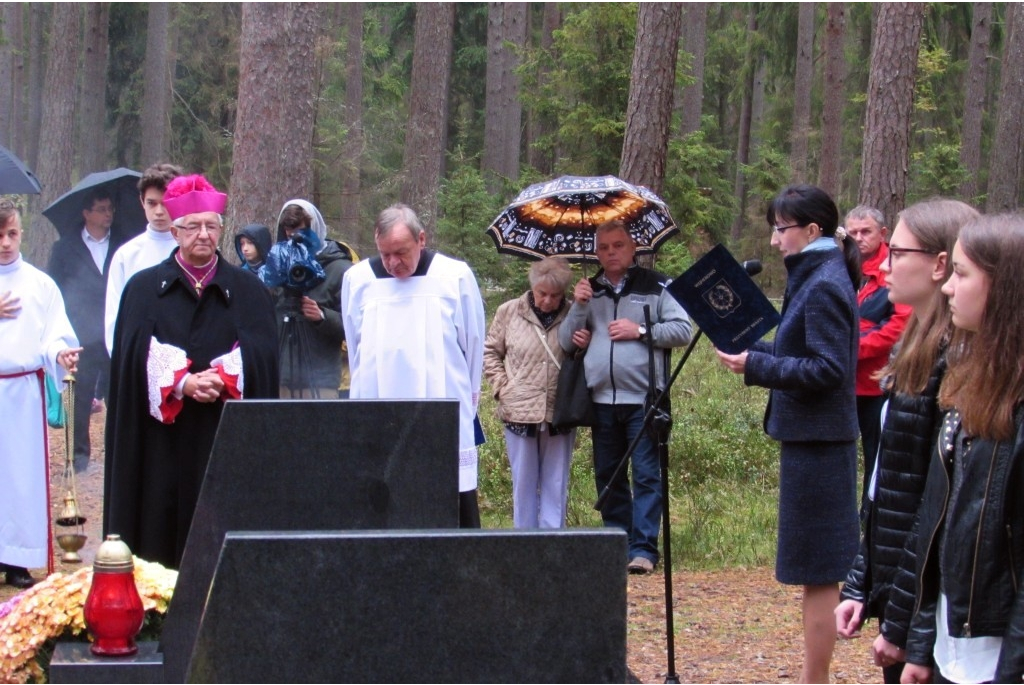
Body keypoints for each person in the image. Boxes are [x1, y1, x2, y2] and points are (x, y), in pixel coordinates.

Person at [715, 184, 860, 683]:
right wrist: (754, 350)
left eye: (781, 229)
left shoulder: (823, 283)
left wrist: (757, 365)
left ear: (812, 231)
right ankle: (811, 676)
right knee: (813, 571)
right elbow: (799, 346)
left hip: (820, 445)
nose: (775, 241)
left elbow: (828, 370)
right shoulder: (817, 273)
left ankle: (814, 679)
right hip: (811, 442)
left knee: (820, 571)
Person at [834, 199, 979, 684]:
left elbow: (933, 510)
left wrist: (903, 624)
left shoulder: (955, 363)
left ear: (940, 265)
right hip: (901, 587)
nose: (884, 264)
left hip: (926, 605)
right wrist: (860, 580)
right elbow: (885, 485)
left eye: (896, 252)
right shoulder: (913, 343)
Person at [103, 174, 279, 568]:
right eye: (193, 226)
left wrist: (226, 376)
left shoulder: (250, 292)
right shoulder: (143, 289)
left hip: (225, 435)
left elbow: (264, 352)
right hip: (160, 441)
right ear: (176, 229)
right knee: (159, 524)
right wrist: (180, 380)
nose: (203, 234)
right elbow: (131, 353)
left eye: (212, 226)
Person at [898, 214, 1024, 685]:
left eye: (963, 274)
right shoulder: (968, 388)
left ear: (1007, 287)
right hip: (953, 653)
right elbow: (939, 527)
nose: (948, 288)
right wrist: (922, 645)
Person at [557, 220, 692, 574]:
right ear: (596, 252)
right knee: (609, 474)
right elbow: (566, 340)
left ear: (634, 249)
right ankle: (618, 540)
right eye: (604, 247)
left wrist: (640, 330)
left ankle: (644, 549)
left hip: (645, 399)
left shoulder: (658, 285)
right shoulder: (590, 290)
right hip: (600, 399)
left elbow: (682, 330)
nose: (611, 253)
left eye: (618, 245)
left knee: (647, 473)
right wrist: (579, 306)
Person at [341, 203, 485, 527]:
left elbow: (473, 344)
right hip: (378, 406)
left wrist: (468, 400)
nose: (393, 263)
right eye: (384, 254)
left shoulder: (454, 276)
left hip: (442, 402)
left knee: (449, 495)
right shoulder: (358, 279)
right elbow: (355, 346)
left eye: (401, 252)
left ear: (421, 239)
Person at [0, 199, 81, 587]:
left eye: (12, 233)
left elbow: (54, 332)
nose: (5, 243)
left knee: (20, 476)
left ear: (22, 234)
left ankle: (17, 559)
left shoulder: (39, 284)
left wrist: (60, 352)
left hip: (23, 393)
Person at [483, 257, 576, 529]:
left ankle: (552, 542)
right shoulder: (509, 311)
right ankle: (524, 541)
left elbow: (582, 359)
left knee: (556, 482)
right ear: (533, 287)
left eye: (555, 295)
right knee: (523, 481)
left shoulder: (574, 314)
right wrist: (502, 387)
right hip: (518, 408)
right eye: (542, 293)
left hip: (560, 410)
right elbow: (491, 352)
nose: (547, 301)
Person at [47, 188, 123, 473]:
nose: (108, 214)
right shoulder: (65, 247)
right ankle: (78, 457)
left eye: (110, 208)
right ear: (86, 213)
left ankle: (118, 456)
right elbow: (53, 288)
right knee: (78, 398)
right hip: (80, 334)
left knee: (117, 396)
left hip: (115, 332)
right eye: (102, 209)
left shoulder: (122, 245)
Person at [846, 206, 911, 510]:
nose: (858, 238)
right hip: (845, 382)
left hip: (878, 384)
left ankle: (868, 517)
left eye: (866, 232)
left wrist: (850, 349)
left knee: (877, 456)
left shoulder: (893, 272)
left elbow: (898, 327)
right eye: (853, 233)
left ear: (883, 233)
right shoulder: (845, 267)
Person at [271, 200, 353, 398]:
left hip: (320, 379)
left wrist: (322, 317)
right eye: (289, 235)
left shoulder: (339, 269)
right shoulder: (278, 266)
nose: (294, 242)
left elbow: (353, 327)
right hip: (280, 375)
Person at [105, 163, 184, 354]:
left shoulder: (190, 250)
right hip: (137, 358)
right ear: (142, 202)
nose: (159, 211)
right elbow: (115, 318)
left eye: (165, 203)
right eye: (152, 203)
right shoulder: (127, 255)